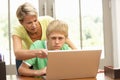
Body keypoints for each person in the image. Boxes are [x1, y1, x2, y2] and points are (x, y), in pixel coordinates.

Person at [12, 2, 76, 71]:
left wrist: (77, 53)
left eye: (35, 20)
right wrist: (38, 52)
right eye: (29, 23)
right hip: (25, 56)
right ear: (21, 22)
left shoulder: (47, 21)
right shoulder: (17, 30)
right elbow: (17, 53)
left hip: (43, 58)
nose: (34, 25)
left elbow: (63, 35)